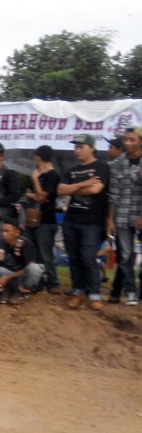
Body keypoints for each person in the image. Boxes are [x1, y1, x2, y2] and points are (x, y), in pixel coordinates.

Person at [59, 134, 109, 310]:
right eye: (75, 147)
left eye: (81, 146)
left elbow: (96, 189)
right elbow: (60, 189)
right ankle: (77, 292)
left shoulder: (101, 167)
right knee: (73, 257)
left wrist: (73, 188)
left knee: (88, 256)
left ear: (91, 148)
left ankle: (94, 294)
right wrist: (84, 183)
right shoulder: (72, 170)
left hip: (92, 222)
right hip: (71, 219)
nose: (77, 150)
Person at [106, 127, 142, 306]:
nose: (128, 143)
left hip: (139, 213)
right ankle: (131, 292)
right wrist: (110, 219)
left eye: (132, 139)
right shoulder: (117, 164)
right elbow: (113, 194)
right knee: (125, 256)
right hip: (122, 216)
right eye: (126, 139)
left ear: (140, 141)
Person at [25, 146, 62, 294]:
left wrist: (35, 180)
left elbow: (41, 197)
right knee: (35, 252)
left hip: (47, 220)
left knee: (46, 253)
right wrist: (36, 195)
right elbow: (29, 193)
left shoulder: (52, 175)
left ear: (38, 157)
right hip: (34, 219)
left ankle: (53, 282)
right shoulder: (40, 174)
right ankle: (38, 281)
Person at [0, 219, 44, 304]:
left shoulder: (26, 244)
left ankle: (21, 292)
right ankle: (7, 290)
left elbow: (28, 268)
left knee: (35, 268)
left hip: (22, 276)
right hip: (9, 274)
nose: (3, 234)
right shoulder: (1, 242)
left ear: (17, 233)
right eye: (3, 231)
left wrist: (7, 278)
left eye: (7, 231)